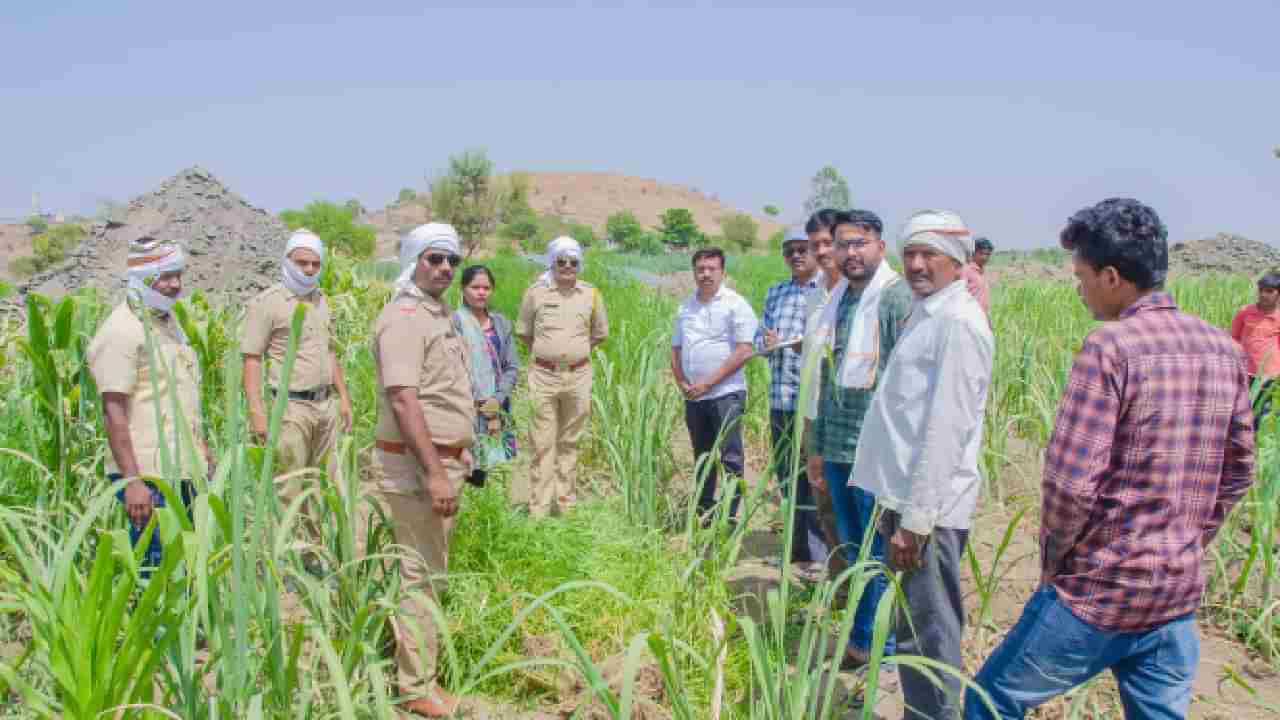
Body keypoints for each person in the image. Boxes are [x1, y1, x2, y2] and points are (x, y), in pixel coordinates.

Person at [966, 199, 1255, 720]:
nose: (1078, 288)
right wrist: (1189, 537)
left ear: (1113, 277)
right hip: (1174, 594)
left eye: (1082, 276)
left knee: (988, 699)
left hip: (1101, 592)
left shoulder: (1110, 348)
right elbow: (1239, 470)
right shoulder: (1223, 349)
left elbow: (1071, 486)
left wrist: (1056, 566)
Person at [852, 209, 994, 720]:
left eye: (928, 254)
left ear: (956, 263)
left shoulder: (956, 324)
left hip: (927, 511)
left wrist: (914, 522)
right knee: (912, 626)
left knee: (930, 634)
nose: (915, 264)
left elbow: (943, 433)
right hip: (908, 500)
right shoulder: (928, 311)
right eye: (910, 253)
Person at [366, 223, 476, 717]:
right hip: (414, 470)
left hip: (438, 464)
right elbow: (404, 400)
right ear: (414, 260)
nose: (445, 269)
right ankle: (415, 687)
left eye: (451, 260)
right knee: (419, 576)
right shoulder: (406, 317)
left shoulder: (437, 314)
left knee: (427, 571)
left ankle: (415, 672)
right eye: (434, 259)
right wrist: (434, 471)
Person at [803, 209, 913, 669]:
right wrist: (817, 450)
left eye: (859, 243)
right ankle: (863, 639)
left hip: (877, 453)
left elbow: (906, 382)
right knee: (852, 549)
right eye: (843, 243)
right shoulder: (840, 300)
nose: (850, 252)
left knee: (877, 555)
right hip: (839, 449)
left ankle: (879, 649)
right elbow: (825, 379)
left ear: (879, 248)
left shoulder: (894, 299)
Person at [87, 236, 208, 569]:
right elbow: (114, 413)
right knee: (156, 566)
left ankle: (188, 621)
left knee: (186, 558)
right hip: (148, 473)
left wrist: (201, 449)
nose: (174, 284)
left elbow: (180, 395)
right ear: (141, 278)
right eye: (165, 276)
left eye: (178, 275)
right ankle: (156, 622)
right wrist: (133, 483)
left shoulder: (167, 323)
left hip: (181, 466)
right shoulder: (121, 332)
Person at [241, 229, 353, 512]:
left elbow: (329, 351)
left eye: (315, 264)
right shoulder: (268, 303)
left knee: (326, 486)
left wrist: (343, 397)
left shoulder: (320, 300)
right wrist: (257, 414)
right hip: (290, 409)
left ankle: (320, 551)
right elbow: (252, 359)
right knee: (290, 488)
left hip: (324, 406)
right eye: (302, 262)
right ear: (288, 261)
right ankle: (289, 553)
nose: (309, 269)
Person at [515, 236, 608, 517]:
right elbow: (524, 332)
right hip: (543, 376)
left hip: (579, 377)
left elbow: (599, 334)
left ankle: (566, 506)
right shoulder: (536, 293)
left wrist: (573, 355)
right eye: (561, 261)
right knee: (542, 443)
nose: (568, 266)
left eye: (573, 262)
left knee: (569, 442)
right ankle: (539, 510)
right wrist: (550, 357)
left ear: (580, 265)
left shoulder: (591, 295)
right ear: (552, 263)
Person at [754, 224, 826, 579]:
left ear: (815, 251)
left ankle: (817, 554)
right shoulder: (776, 292)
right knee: (787, 475)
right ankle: (796, 550)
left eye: (803, 249)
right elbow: (759, 340)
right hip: (781, 396)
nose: (797, 256)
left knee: (814, 475)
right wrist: (765, 341)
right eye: (790, 251)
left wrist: (808, 345)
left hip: (811, 400)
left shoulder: (827, 289)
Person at [671, 247, 758, 522]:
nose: (705, 274)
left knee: (730, 455)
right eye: (700, 269)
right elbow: (676, 349)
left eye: (712, 269)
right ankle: (705, 510)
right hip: (694, 396)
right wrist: (682, 382)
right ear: (694, 272)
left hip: (726, 393)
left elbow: (744, 350)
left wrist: (708, 383)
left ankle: (730, 514)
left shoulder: (735, 304)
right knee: (702, 454)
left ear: (722, 272)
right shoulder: (686, 307)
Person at [796, 208, 847, 574]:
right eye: (816, 245)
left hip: (844, 419)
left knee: (851, 510)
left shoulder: (857, 294)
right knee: (823, 504)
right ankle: (839, 585)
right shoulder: (815, 297)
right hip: (812, 414)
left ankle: (859, 596)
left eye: (828, 242)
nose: (823, 251)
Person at [454, 265, 520, 487]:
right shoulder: (454, 323)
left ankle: (493, 514)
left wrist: (496, 400)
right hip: (466, 406)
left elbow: (511, 366)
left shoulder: (501, 323)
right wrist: (480, 402)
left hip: (498, 405)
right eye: (475, 287)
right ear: (463, 289)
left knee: (496, 468)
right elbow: (453, 369)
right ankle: (470, 516)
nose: (481, 292)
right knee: (469, 469)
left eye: (486, 287)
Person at [1230, 270, 1280, 426]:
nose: (1264, 294)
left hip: (1269, 376)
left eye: (1269, 291)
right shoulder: (1245, 312)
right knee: (1241, 412)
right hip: (1246, 372)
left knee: (1263, 412)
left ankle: (1257, 445)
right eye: (1261, 290)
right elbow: (1234, 339)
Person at [963, 236, 993, 317]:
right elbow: (960, 295)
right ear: (974, 253)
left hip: (983, 316)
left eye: (988, 254)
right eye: (982, 253)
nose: (985, 257)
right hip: (971, 316)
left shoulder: (982, 272)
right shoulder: (966, 270)